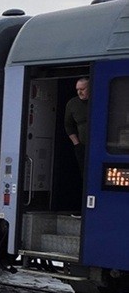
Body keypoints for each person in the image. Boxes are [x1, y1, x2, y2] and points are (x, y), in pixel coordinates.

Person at [65, 76, 90, 216]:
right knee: (84, 176)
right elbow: (68, 125)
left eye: (83, 89)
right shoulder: (73, 104)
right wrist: (76, 143)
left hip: (98, 145)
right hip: (82, 146)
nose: (79, 92)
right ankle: (82, 209)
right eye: (77, 89)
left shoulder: (99, 100)